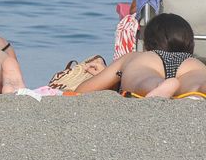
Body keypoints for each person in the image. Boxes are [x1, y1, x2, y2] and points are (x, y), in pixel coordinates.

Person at [69, 13, 206, 99]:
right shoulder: (193, 61)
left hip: (150, 63)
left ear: (146, 43)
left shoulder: (136, 57)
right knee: (197, 83)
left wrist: (108, 75)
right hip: (188, 65)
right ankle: (201, 88)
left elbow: (83, 91)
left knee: (144, 80)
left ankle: (158, 85)